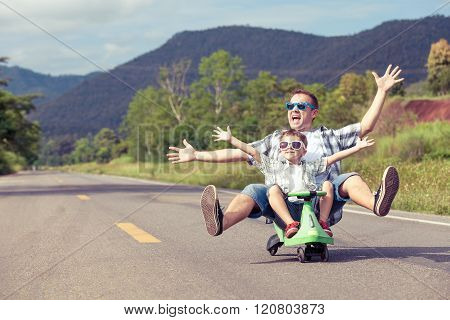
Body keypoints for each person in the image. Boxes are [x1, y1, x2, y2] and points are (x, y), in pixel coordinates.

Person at [167, 64, 402, 237]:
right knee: (253, 189)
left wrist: (381, 91)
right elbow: (241, 153)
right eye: (291, 105)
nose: (294, 109)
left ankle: (376, 204)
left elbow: (365, 126)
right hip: (283, 205)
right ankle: (220, 221)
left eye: (301, 105)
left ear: (314, 113)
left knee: (350, 179)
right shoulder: (276, 140)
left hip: (322, 203)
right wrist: (197, 155)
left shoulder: (329, 136)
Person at [212, 126, 374, 238]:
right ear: (281, 150)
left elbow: (334, 158)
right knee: (273, 189)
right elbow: (252, 151)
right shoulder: (273, 165)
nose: (289, 147)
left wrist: (357, 148)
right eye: (284, 144)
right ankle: (290, 225)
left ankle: (323, 223)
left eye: (295, 144)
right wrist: (231, 139)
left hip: (311, 208)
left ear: (304, 150)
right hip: (286, 210)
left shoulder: (311, 165)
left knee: (327, 185)